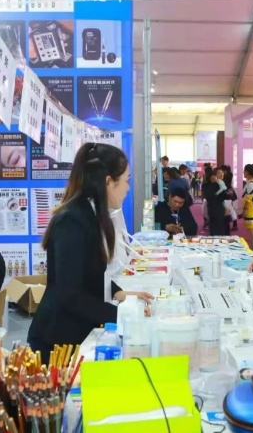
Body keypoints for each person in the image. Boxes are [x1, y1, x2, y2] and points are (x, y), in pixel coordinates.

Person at [28, 143, 153, 363]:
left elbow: (90, 273)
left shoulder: (93, 214)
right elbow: (70, 294)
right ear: (108, 182)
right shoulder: (72, 221)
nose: (128, 188)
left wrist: (121, 294)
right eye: (126, 180)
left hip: (75, 331)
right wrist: (123, 315)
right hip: (57, 341)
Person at [202, 166, 228, 236]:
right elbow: (225, 195)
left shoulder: (204, 185)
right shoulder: (217, 185)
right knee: (220, 229)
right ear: (213, 175)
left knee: (213, 227)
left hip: (210, 208)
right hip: (219, 208)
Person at [242, 163, 253, 247]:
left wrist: (245, 209)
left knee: (252, 234)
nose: (243, 173)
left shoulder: (250, 184)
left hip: (250, 210)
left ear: (247, 172)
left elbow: (248, 198)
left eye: (244, 171)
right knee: (252, 233)